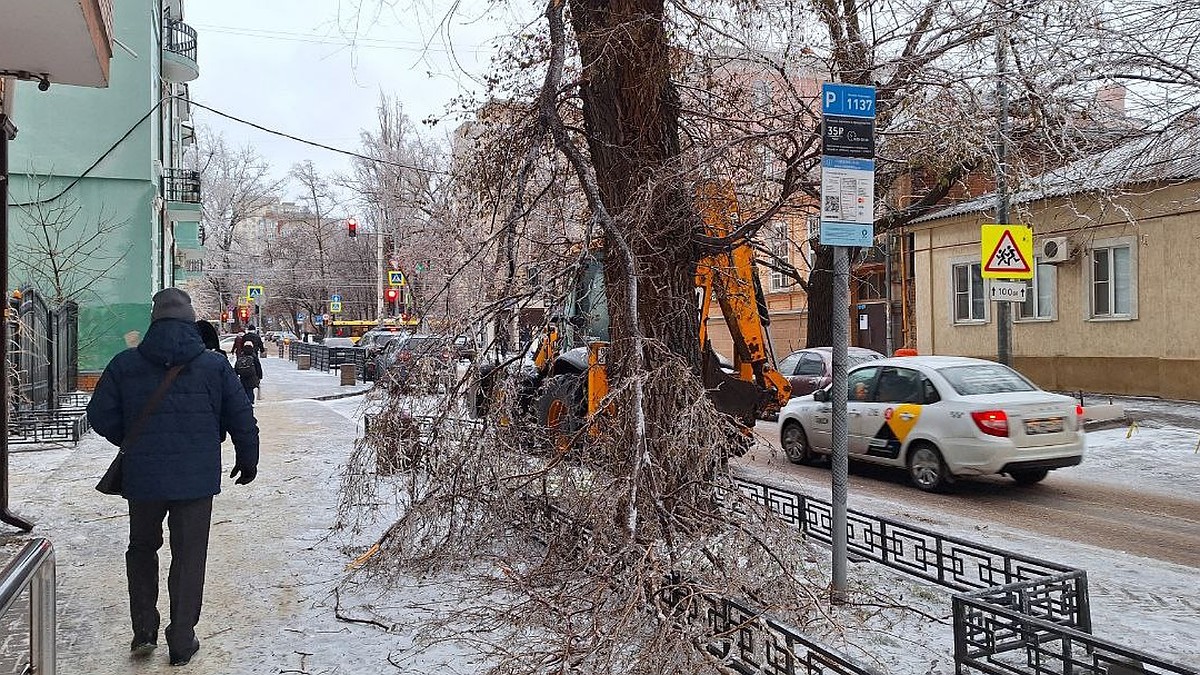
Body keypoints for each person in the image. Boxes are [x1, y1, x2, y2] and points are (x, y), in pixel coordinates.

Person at [87, 288, 259, 667]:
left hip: (144, 478)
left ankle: (144, 630)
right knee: (189, 555)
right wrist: (248, 460)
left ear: (154, 321)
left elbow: (98, 414)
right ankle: (181, 640)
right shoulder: (214, 366)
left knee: (142, 548)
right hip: (195, 481)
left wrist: (134, 438)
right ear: (189, 320)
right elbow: (241, 417)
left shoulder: (125, 364)